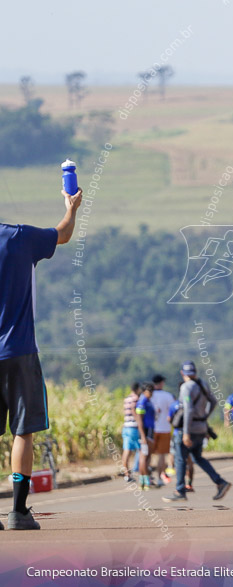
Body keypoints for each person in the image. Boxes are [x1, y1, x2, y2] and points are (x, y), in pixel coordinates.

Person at [0, 186, 81, 530]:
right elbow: (62, 234)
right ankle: (18, 511)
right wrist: (71, 207)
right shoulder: (19, 238)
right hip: (19, 350)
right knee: (23, 431)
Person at [163, 361, 231, 502]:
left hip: (188, 428)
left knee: (180, 459)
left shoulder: (187, 387)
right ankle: (220, 482)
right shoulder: (202, 384)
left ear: (183, 373)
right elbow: (213, 401)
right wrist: (204, 416)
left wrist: (186, 433)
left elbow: (187, 410)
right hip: (201, 427)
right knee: (197, 458)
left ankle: (180, 490)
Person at [150, 374, 175, 486]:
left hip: (151, 428)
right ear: (161, 383)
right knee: (161, 455)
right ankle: (160, 477)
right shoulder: (168, 396)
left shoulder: (149, 395)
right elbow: (173, 410)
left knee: (148, 454)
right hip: (164, 428)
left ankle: (147, 478)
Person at [167, 398, 195, 492]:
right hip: (191, 434)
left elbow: (169, 419)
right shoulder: (191, 403)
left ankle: (180, 485)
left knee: (180, 460)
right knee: (190, 460)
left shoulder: (173, 405)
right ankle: (189, 484)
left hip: (177, 434)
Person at [135, 382, 156, 490]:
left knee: (147, 455)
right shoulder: (142, 401)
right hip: (145, 430)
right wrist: (143, 435)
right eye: (149, 391)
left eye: (152, 391)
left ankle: (144, 479)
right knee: (143, 455)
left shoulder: (148, 401)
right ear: (144, 391)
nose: (151, 393)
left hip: (150, 429)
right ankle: (144, 479)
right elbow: (139, 418)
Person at [121, 383, 142, 484]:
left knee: (126, 451)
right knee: (141, 449)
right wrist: (140, 423)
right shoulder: (136, 399)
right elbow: (135, 411)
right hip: (134, 427)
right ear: (138, 389)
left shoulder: (126, 399)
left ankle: (126, 474)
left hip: (126, 427)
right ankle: (136, 469)